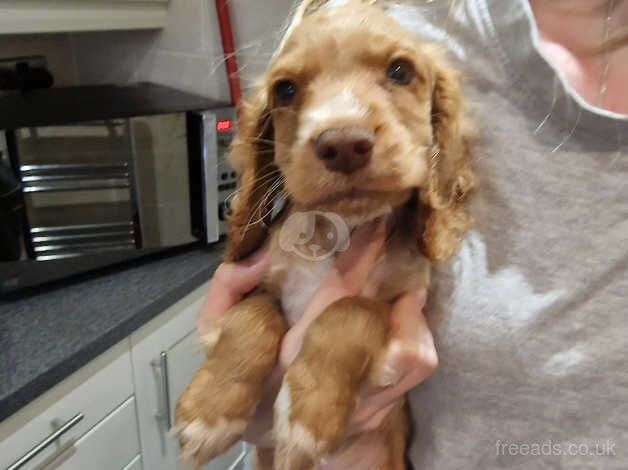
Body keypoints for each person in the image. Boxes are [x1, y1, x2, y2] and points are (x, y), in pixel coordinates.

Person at [198, 0, 628, 468]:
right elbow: (251, 317)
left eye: (399, 74)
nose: (345, 135)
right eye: (287, 92)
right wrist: (244, 386)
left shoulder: (414, 227)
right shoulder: (383, 11)